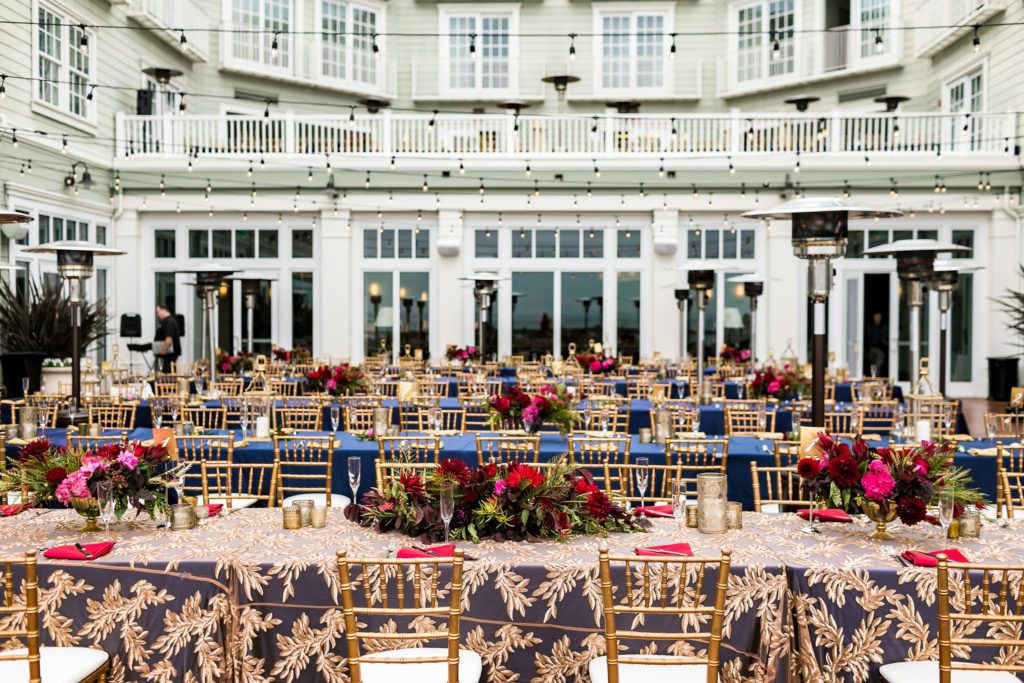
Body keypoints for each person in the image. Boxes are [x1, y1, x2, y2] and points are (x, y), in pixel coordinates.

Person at [153, 304, 181, 373]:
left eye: (158, 312)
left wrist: (163, 349)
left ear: (163, 310)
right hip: (166, 355)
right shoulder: (166, 321)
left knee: (168, 375)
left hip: (169, 355)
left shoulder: (169, 322)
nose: (157, 315)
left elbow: (169, 338)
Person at [866, 312, 887, 377]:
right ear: (873, 318)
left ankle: (877, 378)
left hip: (880, 349)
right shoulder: (870, 327)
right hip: (871, 348)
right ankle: (873, 378)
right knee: (872, 365)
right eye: (876, 317)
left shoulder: (884, 327)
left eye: (879, 317)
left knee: (878, 365)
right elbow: (867, 338)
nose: (877, 319)